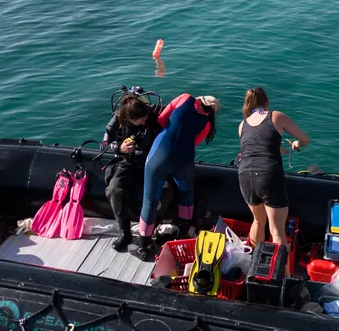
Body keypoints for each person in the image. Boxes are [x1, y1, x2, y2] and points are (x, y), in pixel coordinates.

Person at [133, 94, 221, 260]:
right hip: (184, 159)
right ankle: (181, 237)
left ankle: (143, 246)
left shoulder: (185, 98)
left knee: (150, 199)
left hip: (159, 153)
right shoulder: (207, 123)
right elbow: (194, 141)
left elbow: (161, 119)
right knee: (186, 195)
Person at [237, 87, 310, 254]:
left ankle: (253, 266)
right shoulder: (276, 116)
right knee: (276, 231)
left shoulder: (242, 125)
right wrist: (297, 144)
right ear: (267, 103)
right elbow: (305, 139)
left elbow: (256, 148)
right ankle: (282, 276)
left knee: (258, 221)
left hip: (245, 174)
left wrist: (279, 149)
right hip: (267, 175)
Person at [102, 94, 161, 252]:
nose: (143, 121)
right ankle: (125, 232)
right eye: (139, 120)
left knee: (165, 192)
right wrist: (120, 148)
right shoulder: (118, 120)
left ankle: (149, 234)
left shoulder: (152, 117)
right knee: (114, 190)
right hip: (128, 162)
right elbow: (105, 143)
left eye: (145, 118)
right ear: (129, 118)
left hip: (151, 162)